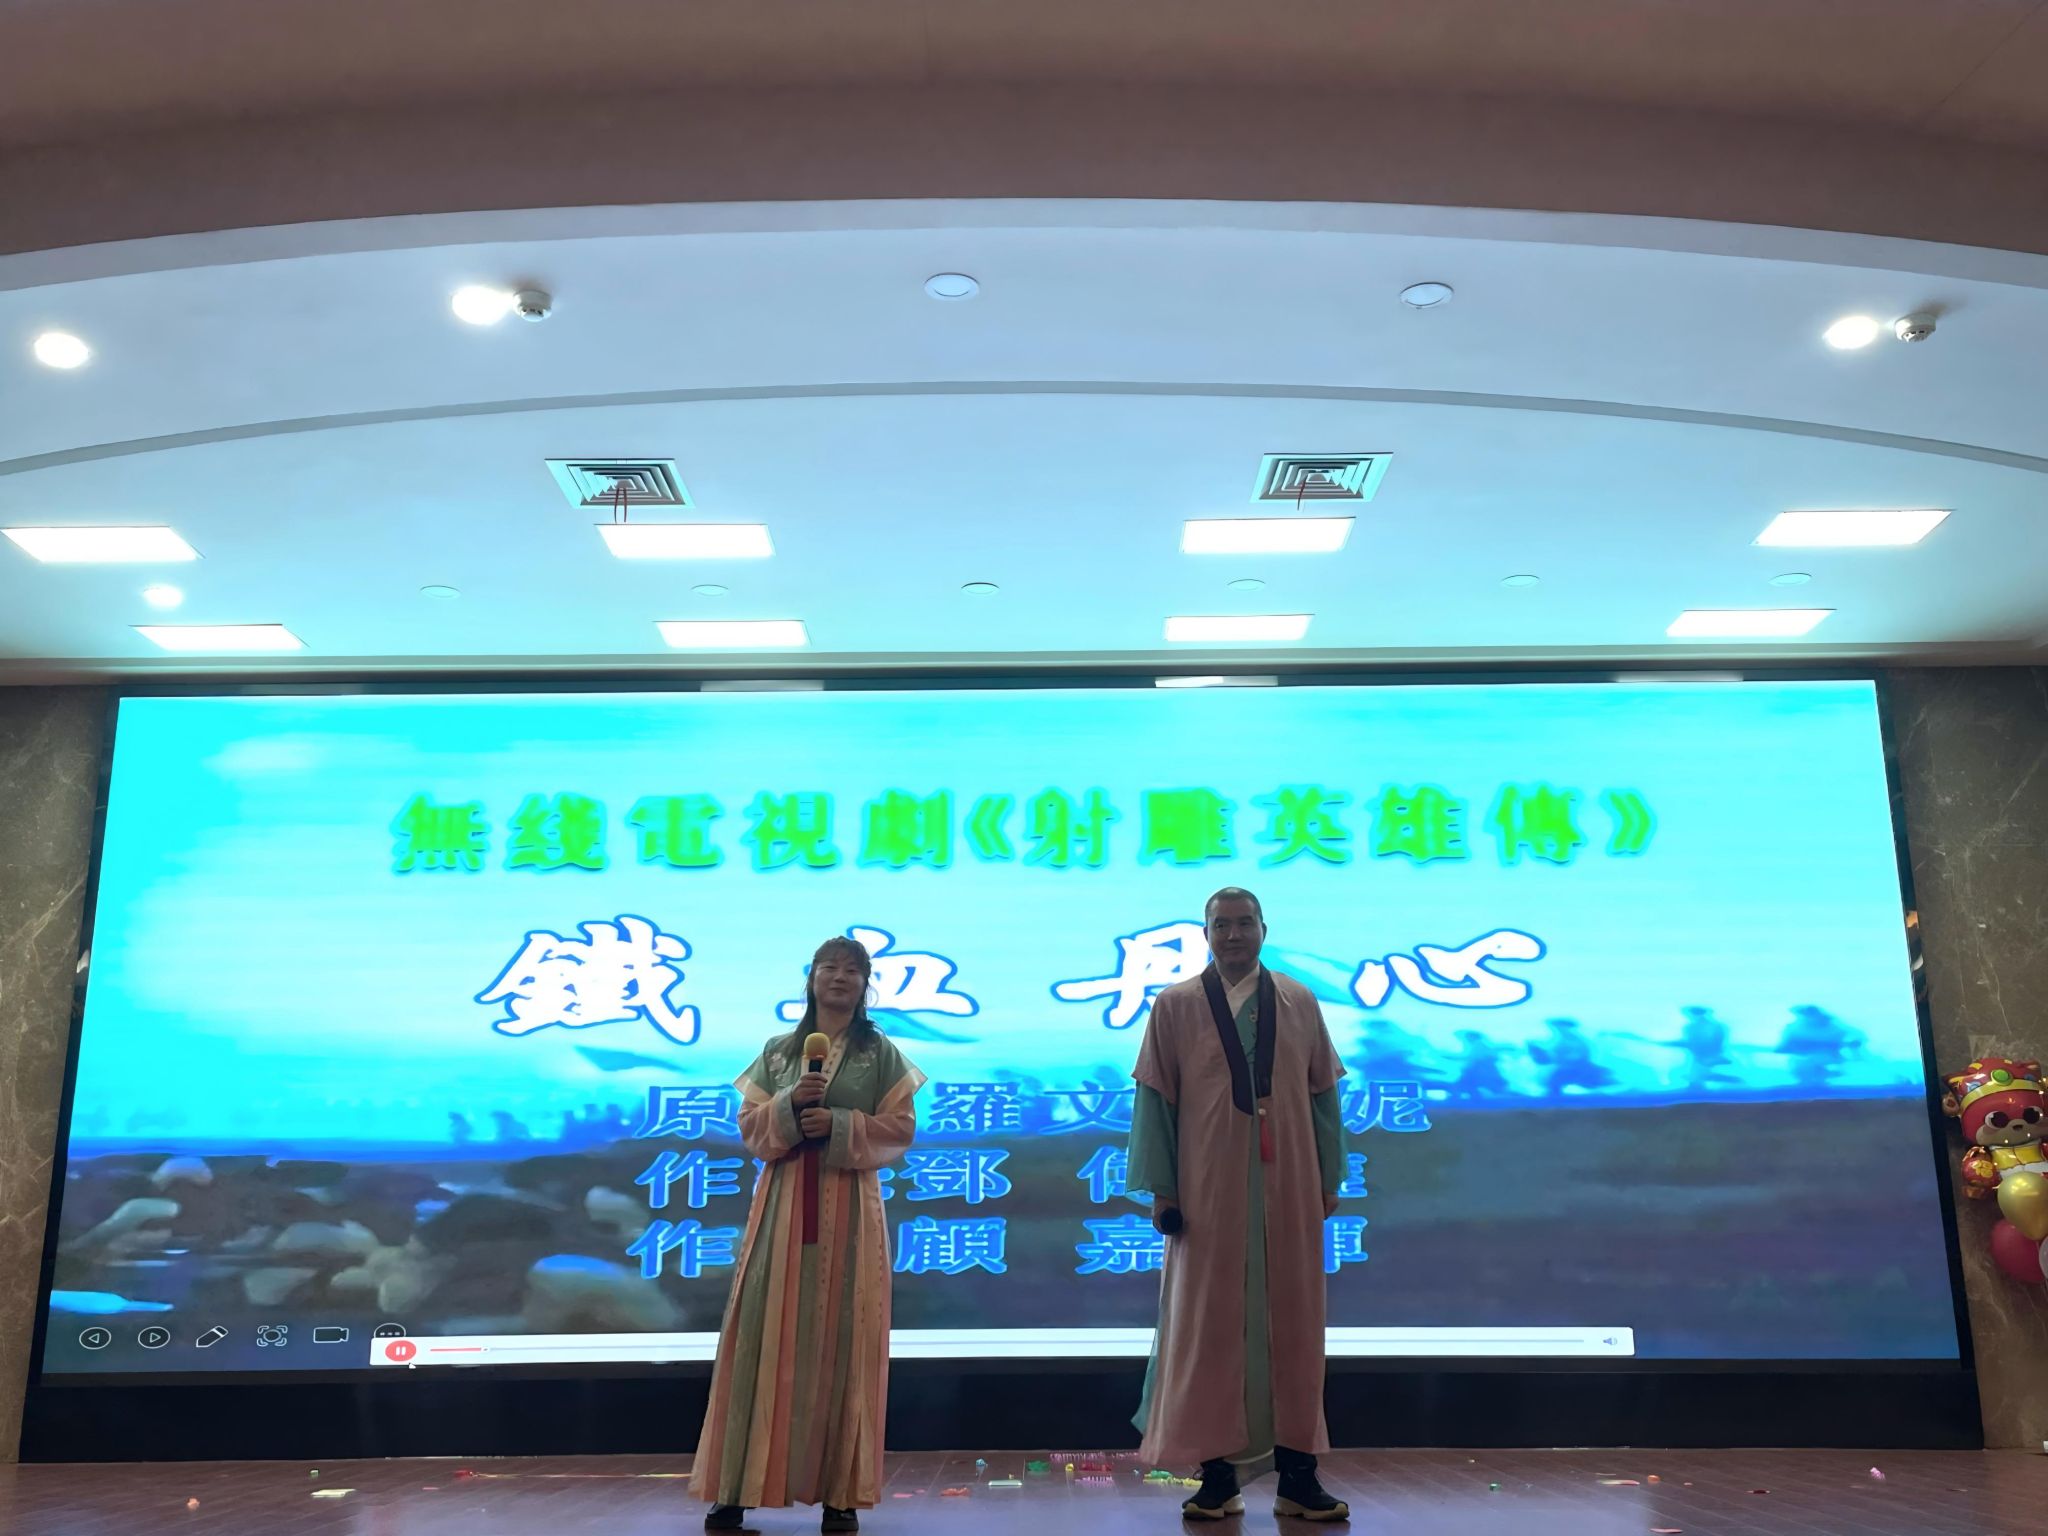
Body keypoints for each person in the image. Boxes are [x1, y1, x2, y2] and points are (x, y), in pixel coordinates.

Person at [1126, 888, 1352, 1523]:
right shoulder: (1174, 1006)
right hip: (1207, 1190)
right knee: (1209, 1326)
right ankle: (1217, 1477)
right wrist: (1164, 1190)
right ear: (1205, 934)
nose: (1232, 934)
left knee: (1296, 1324)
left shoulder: (1299, 1000)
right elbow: (1156, 1101)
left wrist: (1328, 1176)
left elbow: (1322, 1095)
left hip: (1290, 1186)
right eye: (1220, 925)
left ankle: (1298, 1475)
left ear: (1263, 929)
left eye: (1243, 923)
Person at [693, 936, 925, 1533]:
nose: (840, 977)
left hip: (851, 1206)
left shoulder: (881, 1054)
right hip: (782, 1204)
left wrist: (840, 1123)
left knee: (847, 1336)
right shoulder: (779, 1053)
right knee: (761, 1333)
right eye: (829, 967)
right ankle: (736, 1488)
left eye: (852, 970)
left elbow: (900, 1129)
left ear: (866, 984)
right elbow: (751, 1128)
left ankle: (839, 1494)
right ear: (812, 977)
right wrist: (790, 1107)